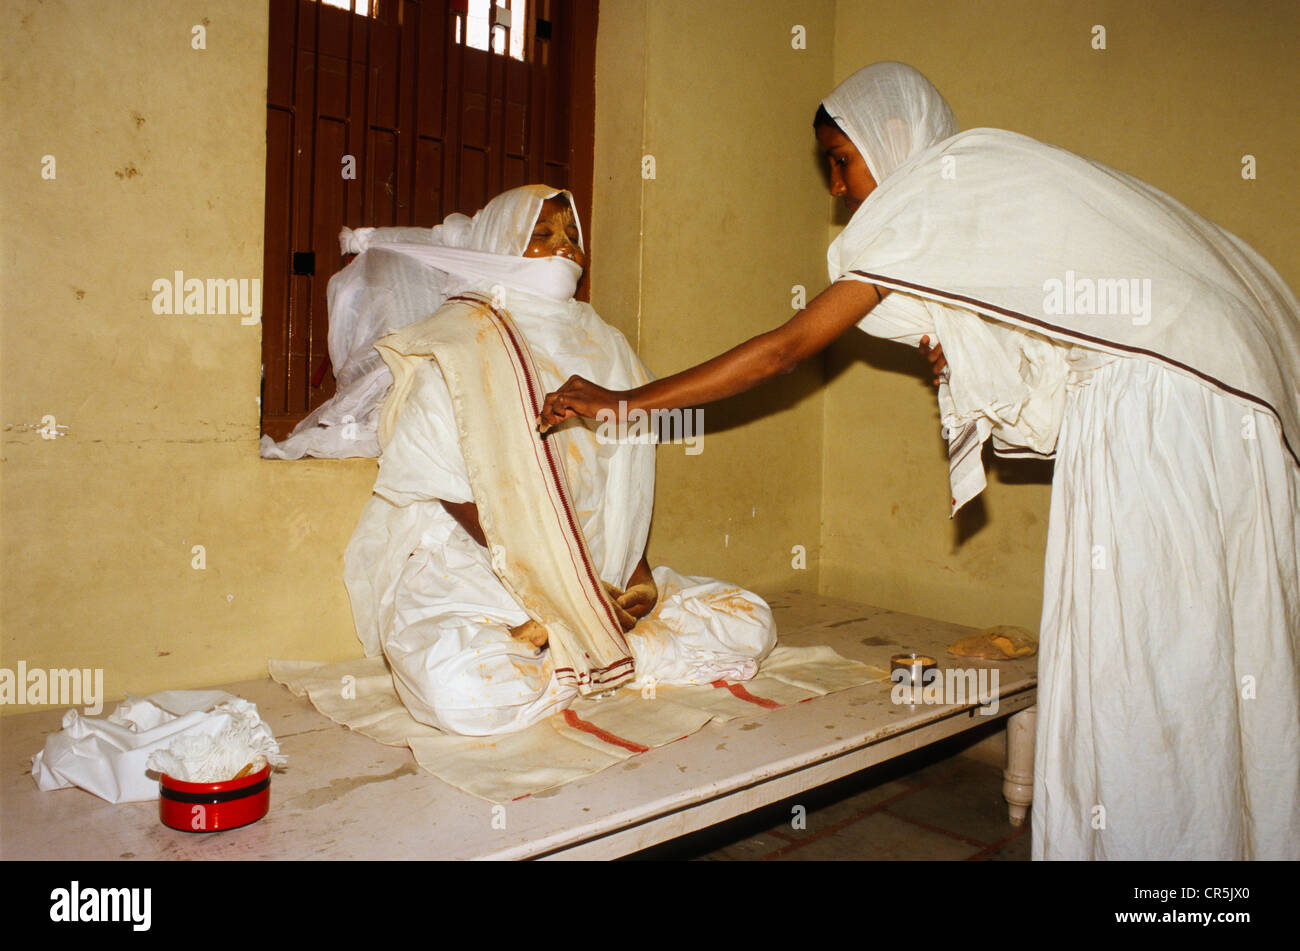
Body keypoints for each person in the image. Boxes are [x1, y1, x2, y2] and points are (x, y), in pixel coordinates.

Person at [537, 63, 1300, 860]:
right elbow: (1067, 361)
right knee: (1212, 656)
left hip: (1167, 405)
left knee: (1144, 671)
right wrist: (973, 368)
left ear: (890, 140)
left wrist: (618, 402)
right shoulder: (980, 194)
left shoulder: (933, 196)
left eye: (842, 159)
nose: (838, 189)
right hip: (1223, 405)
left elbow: (784, 350)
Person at [340, 185, 776, 737]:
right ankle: (595, 653)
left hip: (599, 566)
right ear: (501, 246)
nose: (566, 248)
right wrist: (552, 577)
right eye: (542, 236)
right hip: (483, 571)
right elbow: (439, 478)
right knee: (460, 690)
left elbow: (629, 479)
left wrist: (627, 577)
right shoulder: (459, 338)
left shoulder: (608, 343)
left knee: (751, 621)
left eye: (572, 237)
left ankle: (581, 656)